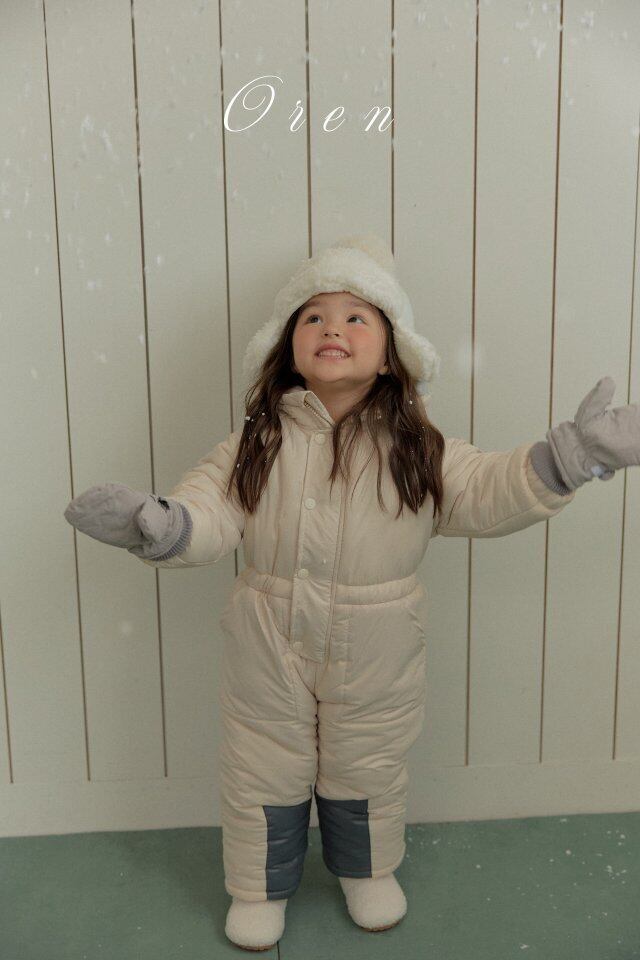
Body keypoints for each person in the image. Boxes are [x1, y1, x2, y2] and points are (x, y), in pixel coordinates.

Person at [64, 234, 640, 952]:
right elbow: (210, 510)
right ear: (287, 348)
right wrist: (160, 524)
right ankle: (258, 887)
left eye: (356, 317)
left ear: (393, 353)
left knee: (367, 763)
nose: (332, 327)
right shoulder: (255, 444)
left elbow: (490, 488)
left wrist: (569, 459)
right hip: (268, 640)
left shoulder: (418, 448)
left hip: (377, 644)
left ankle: (367, 872)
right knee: (261, 765)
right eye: (313, 317)